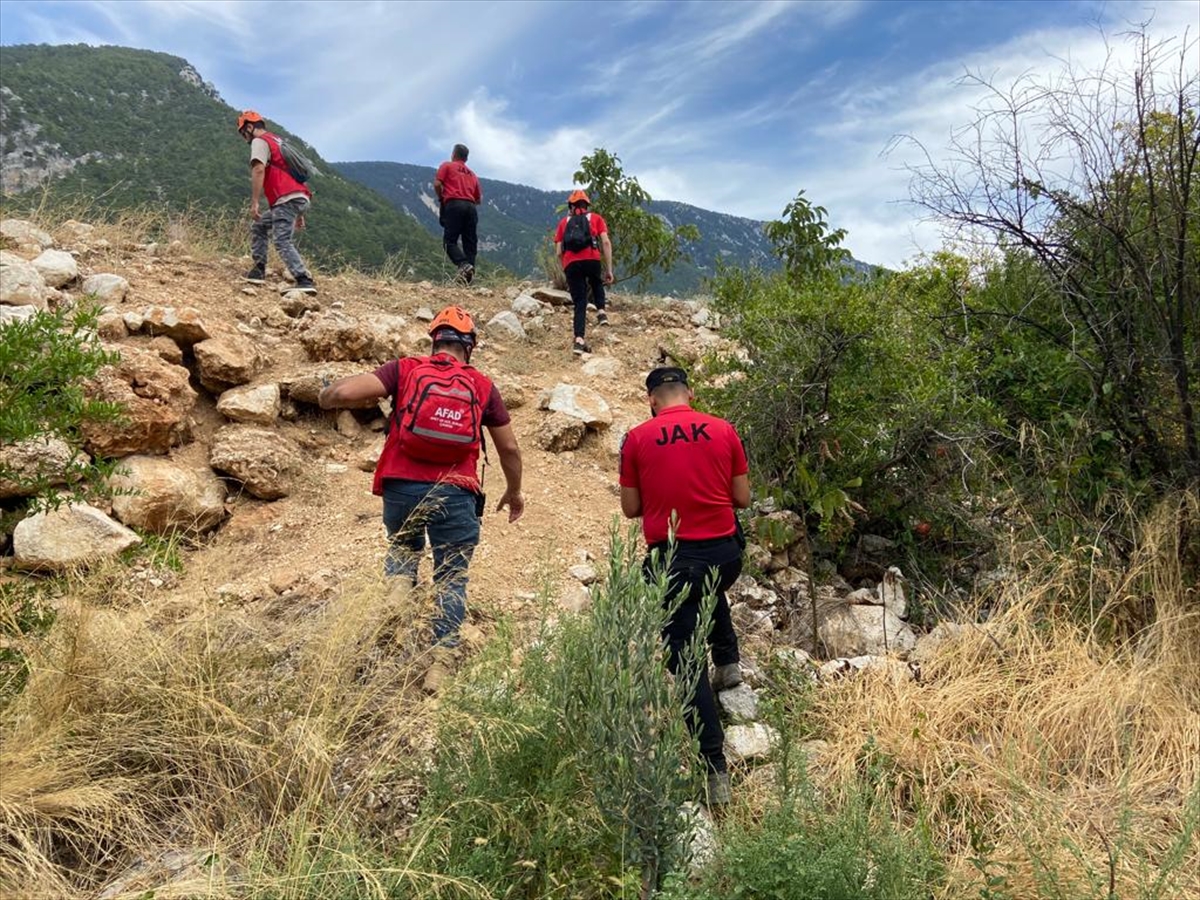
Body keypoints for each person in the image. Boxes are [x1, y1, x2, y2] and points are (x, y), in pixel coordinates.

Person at [318, 306, 524, 692]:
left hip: (401, 485)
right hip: (457, 490)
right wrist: (514, 491)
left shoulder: (406, 369)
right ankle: (440, 667)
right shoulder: (481, 385)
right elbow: (509, 449)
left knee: (403, 547)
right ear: (471, 346)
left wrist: (325, 395)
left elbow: (345, 392)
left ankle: (398, 591)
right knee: (451, 577)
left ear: (435, 341)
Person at [618, 366, 750, 806]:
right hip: (726, 556)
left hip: (673, 562)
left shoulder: (637, 438)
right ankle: (729, 663)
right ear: (688, 394)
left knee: (685, 662)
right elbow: (743, 498)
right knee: (709, 585)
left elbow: (630, 509)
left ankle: (714, 771)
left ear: (652, 400)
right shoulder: (723, 429)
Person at [236, 110, 317, 294]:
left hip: (286, 198)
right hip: (298, 197)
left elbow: (258, 169)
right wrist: (299, 214)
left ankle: (303, 279)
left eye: (243, 133)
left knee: (281, 240)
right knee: (259, 226)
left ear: (250, 127)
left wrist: (255, 201)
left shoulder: (259, 141)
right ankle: (258, 270)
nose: (244, 137)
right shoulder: (276, 140)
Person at [554, 190, 614, 356]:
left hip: (571, 264)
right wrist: (609, 269)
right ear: (586, 205)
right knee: (596, 282)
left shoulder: (563, 223)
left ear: (571, 206)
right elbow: (606, 242)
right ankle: (601, 312)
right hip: (592, 259)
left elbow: (559, 251)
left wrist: (565, 268)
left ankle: (579, 340)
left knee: (580, 302)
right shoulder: (595, 218)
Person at [434, 144, 482, 284]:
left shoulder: (447, 166)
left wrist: (441, 198)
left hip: (454, 204)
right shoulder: (472, 175)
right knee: (470, 243)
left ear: (454, 154)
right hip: (471, 207)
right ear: (466, 158)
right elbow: (479, 199)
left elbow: (437, 184)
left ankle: (462, 264)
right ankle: (467, 279)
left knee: (449, 241)